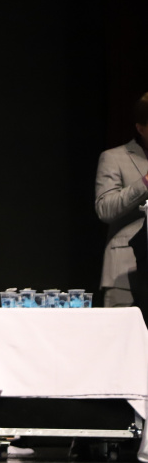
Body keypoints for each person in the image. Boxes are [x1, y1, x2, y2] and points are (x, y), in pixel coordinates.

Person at [95, 92, 148, 309]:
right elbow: (105, 208)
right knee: (125, 342)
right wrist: (145, 183)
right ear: (141, 128)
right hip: (126, 274)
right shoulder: (114, 157)